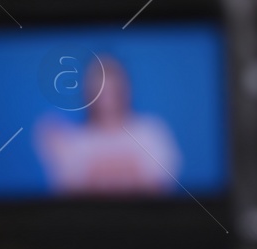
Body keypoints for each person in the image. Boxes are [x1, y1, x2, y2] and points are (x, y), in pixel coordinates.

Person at [32, 52, 182, 195]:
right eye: (98, 83)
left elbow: (162, 187)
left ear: (125, 86)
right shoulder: (74, 142)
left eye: (111, 80)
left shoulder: (151, 131)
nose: (106, 92)